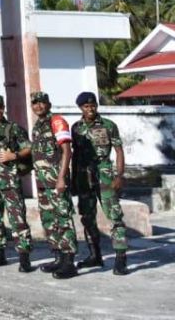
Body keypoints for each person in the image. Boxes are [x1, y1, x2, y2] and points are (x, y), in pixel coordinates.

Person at [71, 90, 128, 275]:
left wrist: (119, 175)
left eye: (93, 105)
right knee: (87, 217)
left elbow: (119, 151)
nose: (91, 109)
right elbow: (76, 156)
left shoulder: (109, 125)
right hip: (84, 178)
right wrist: (73, 181)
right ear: (80, 108)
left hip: (105, 177)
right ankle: (95, 255)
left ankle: (120, 258)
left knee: (114, 216)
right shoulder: (76, 128)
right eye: (86, 106)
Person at [0, 93, 33, 272]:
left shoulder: (13, 128)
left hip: (9, 180)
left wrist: (14, 155)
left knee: (18, 218)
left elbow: (28, 147)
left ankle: (24, 257)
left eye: (1, 106)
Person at [30, 91, 78, 279]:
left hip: (56, 181)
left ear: (48, 104)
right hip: (43, 183)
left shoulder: (57, 121)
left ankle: (69, 263)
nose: (38, 106)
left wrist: (61, 178)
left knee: (63, 219)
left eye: (42, 103)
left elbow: (66, 151)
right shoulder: (37, 126)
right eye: (35, 103)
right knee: (49, 220)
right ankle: (58, 256)